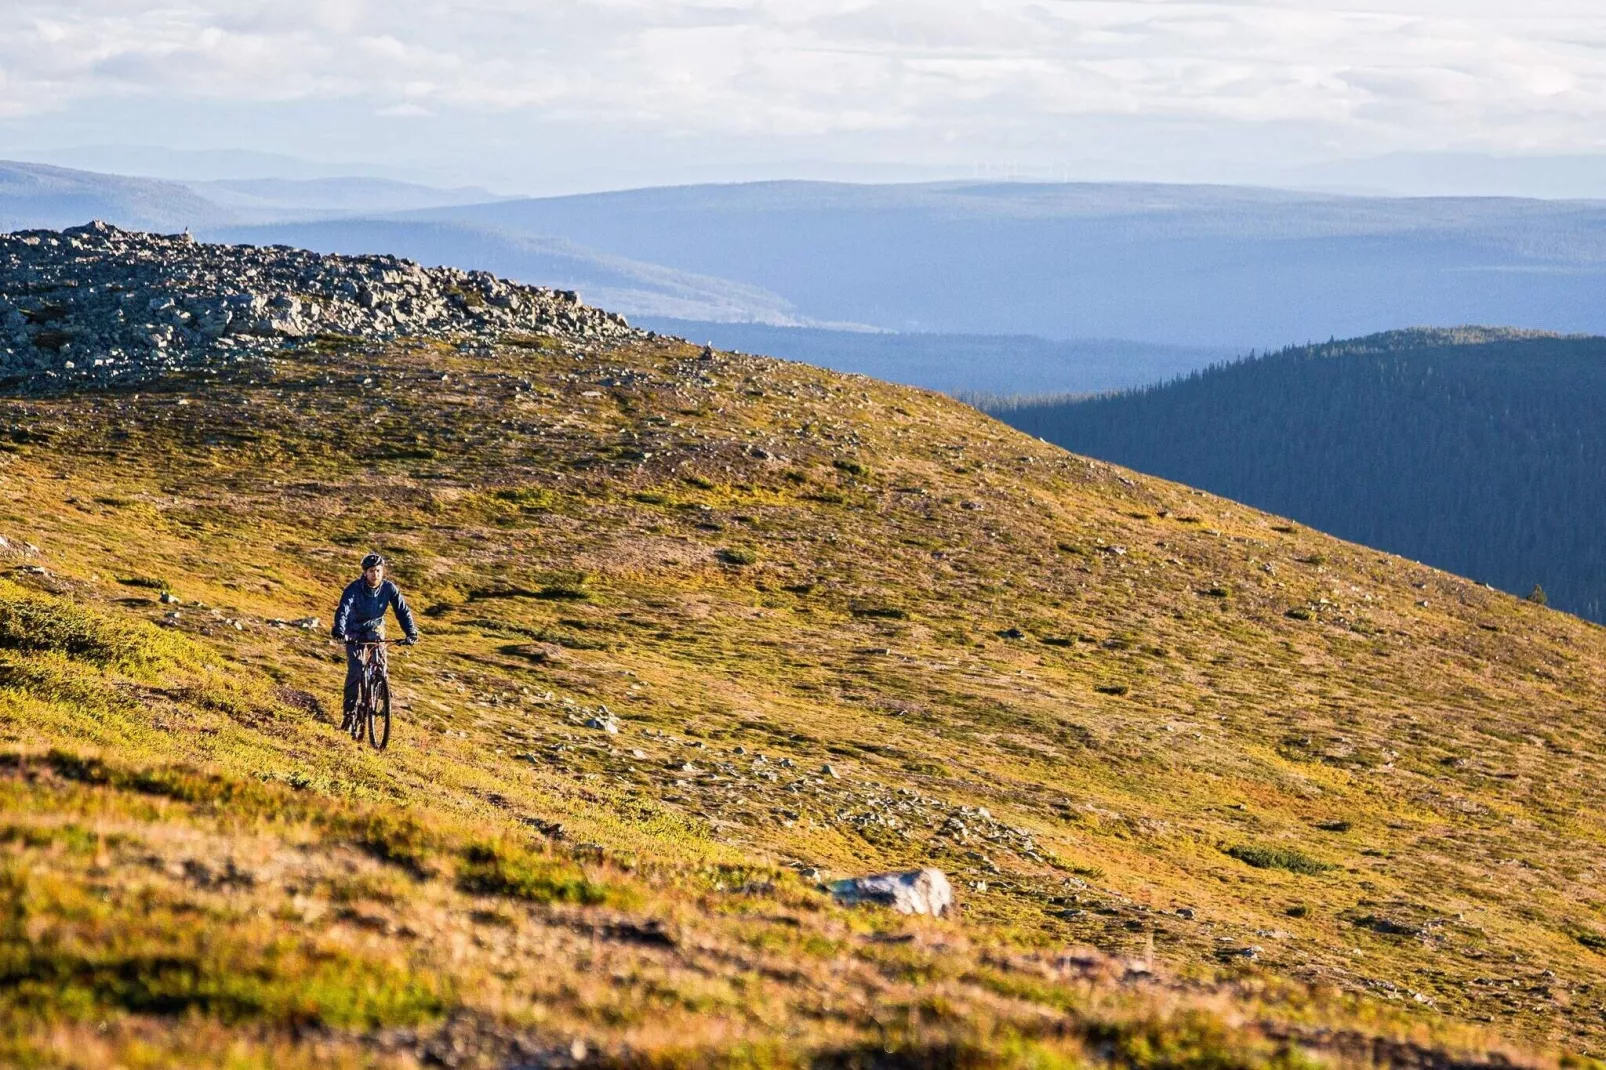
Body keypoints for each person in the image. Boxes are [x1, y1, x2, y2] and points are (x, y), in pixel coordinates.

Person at [331, 552, 419, 726]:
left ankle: (380, 690)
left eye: (378, 570)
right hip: (353, 629)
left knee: (379, 660)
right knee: (356, 669)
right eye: (371, 571)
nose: (375, 574)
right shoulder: (354, 588)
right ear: (365, 573)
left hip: (375, 628)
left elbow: (402, 611)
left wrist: (411, 632)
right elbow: (343, 609)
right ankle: (349, 714)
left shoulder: (389, 589)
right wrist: (339, 630)